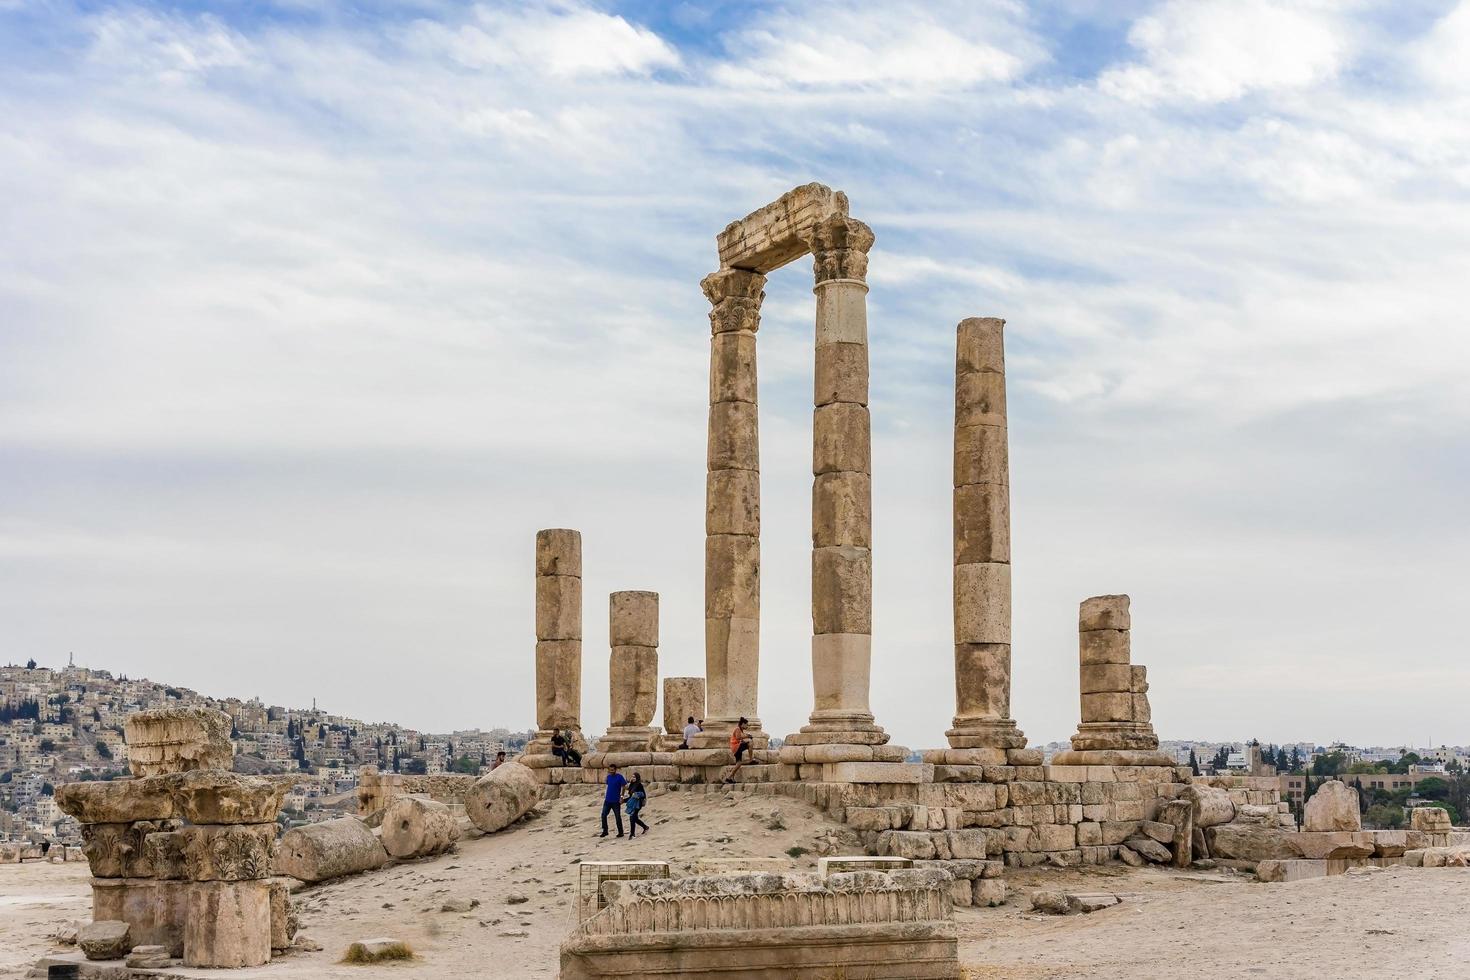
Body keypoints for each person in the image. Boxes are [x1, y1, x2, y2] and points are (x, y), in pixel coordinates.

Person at [600, 764, 626, 838]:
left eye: (613, 770)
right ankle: (605, 831)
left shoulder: (619, 777)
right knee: (603, 815)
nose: (611, 771)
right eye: (610, 770)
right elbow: (608, 785)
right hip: (607, 800)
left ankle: (621, 832)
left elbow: (624, 786)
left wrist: (622, 796)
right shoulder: (608, 777)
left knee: (617, 817)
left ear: (615, 770)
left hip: (616, 801)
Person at [724, 717, 752, 784]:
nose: (747, 726)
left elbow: (739, 739)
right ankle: (751, 759)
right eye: (746, 725)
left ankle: (729, 777)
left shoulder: (740, 730)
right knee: (750, 743)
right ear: (743, 724)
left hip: (735, 747)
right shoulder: (737, 729)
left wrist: (745, 738)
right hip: (736, 746)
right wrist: (747, 736)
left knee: (739, 763)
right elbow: (738, 737)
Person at [624, 772, 650, 838]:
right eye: (632, 777)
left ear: (637, 778)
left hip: (638, 804)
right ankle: (645, 827)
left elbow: (643, 795)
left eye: (634, 777)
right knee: (635, 818)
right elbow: (630, 797)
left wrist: (637, 795)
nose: (633, 778)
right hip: (632, 804)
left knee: (632, 818)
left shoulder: (639, 785)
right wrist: (624, 801)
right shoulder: (631, 785)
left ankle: (632, 834)